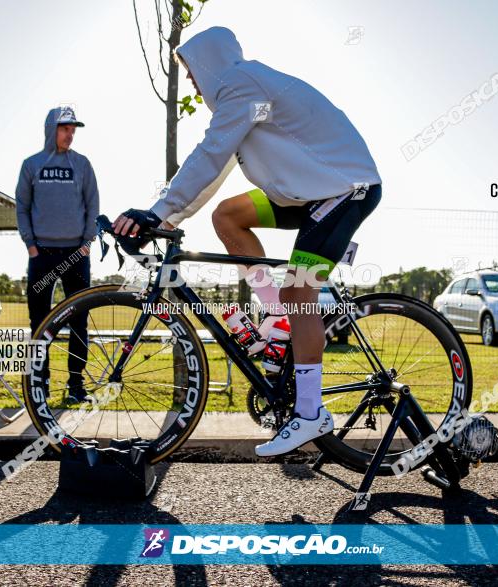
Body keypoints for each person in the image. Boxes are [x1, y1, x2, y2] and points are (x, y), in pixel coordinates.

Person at [112, 27, 381, 456]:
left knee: (299, 292)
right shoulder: (238, 96)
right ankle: (277, 321)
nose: (193, 84)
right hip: (307, 190)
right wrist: (166, 215)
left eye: (192, 73)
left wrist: (159, 211)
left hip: (346, 188)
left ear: (208, 63)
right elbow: (214, 172)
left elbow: (210, 154)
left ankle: (311, 412)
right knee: (228, 216)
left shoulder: (240, 84)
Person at [16, 106, 99, 402]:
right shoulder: (31, 165)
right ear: (51, 129)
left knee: (79, 320)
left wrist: (87, 241)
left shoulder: (83, 164)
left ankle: (75, 386)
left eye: (73, 129)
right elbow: (22, 207)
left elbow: (93, 206)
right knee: (39, 321)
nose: (70, 134)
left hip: (77, 253)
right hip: (42, 255)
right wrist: (31, 245)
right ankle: (40, 384)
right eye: (65, 128)